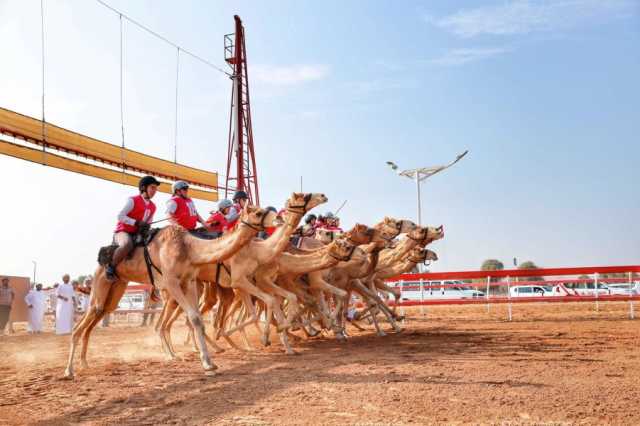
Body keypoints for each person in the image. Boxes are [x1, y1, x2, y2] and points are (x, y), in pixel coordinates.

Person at [106, 175, 160, 282]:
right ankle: (110, 268)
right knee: (128, 244)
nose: (155, 191)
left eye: (155, 188)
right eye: (152, 187)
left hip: (137, 233)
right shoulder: (132, 200)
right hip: (122, 232)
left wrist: (147, 226)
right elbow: (120, 216)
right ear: (143, 188)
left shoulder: (153, 206)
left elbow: (148, 222)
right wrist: (136, 222)